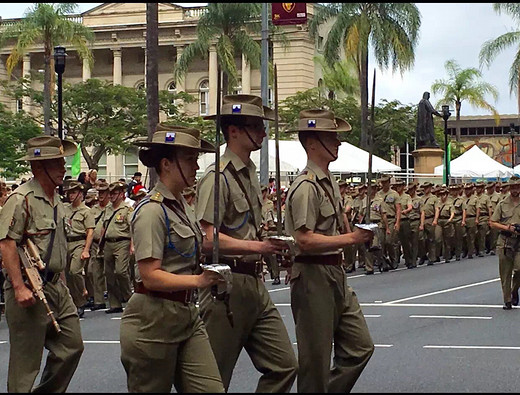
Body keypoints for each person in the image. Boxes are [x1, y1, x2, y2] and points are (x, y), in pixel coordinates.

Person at [196, 94, 298, 392]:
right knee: (214, 380)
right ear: (234, 131)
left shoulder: (251, 173)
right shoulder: (217, 177)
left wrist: (270, 245)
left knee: (284, 365)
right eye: (256, 126)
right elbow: (207, 238)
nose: (263, 133)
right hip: (226, 285)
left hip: (254, 282)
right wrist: (259, 248)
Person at [120, 125, 225, 392]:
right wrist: (198, 281)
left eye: (195, 158)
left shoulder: (183, 207)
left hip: (187, 316)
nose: (196, 165)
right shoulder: (151, 211)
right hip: (153, 320)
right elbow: (150, 276)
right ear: (166, 164)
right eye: (189, 159)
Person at [284, 109, 374, 392]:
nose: (337, 143)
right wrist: (352, 239)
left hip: (335, 273)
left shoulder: (327, 180)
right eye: (330, 138)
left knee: (361, 346)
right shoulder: (306, 186)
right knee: (315, 360)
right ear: (312, 143)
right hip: (313, 275)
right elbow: (304, 240)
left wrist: (355, 234)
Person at [0, 136, 84, 392]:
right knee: (26, 365)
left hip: (57, 287)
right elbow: (6, 243)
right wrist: (18, 287)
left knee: (72, 346)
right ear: (38, 168)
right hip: (29, 286)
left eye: (62, 161)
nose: (63, 167)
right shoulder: (21, 198)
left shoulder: (57, 200)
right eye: (56, 163)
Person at [97, 181, 134, 314]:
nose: (111, 196)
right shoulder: (108, 209)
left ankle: (129, 298)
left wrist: (132, 245)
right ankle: (115, 303)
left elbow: (132, 227)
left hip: (122, 242)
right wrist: (100, 245)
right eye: (110, 193)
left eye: (114, 193)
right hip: (108, 243)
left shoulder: (127, 209)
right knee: (109, 274)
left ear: (121, 194)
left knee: (121, 271)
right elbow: (103, 227)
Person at [63, 181, 95, 318]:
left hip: (79, 242)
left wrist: (86, 250)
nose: (71, 195)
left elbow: (90, 232)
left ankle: (82, 298)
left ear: (81, 194)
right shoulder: (65, 209)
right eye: (70, 192)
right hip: (66, 243)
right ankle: (75, 303)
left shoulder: (86, 211)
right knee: (67, 275)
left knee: (75, 271)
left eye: (74, 192)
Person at [489, 178, 520, 310]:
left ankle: (514, 289)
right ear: (509, 188)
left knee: (519, 269)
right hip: (505, 241)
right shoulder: (502, 204)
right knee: (505, 272)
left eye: (517, 187)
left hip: (519, 241)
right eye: (513, 187)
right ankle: (507, 299)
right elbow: (492, 222)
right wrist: (507, 228)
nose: (515, 190)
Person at [89, 180, 111, 311]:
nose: (101, 195)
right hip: (95, 244)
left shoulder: (112, 208)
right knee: (94, 272)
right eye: (99, 192)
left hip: (108, 243)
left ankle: (116, 297)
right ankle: (98, 300)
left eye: (103, 192)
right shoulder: (93, 209)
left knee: (110, 272)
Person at [377, 175, 402, 269]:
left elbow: (398, 209)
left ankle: (393, 259)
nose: (383, 184)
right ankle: (383, 262)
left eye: (385, 182)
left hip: (391, 219)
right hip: (381, 220)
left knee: (389, 241)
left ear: (389, 182)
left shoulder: (394, 194)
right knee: (381, 242)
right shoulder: (378, 194)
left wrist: (397, 222)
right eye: (382, 182)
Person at [432, 187, 455, 263]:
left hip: (446, 220)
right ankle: (437, 255)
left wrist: (450, 219)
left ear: (447, 195)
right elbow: (437, 211)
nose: (442, 196)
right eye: (441, 194)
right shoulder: (438, 202)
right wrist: (435, 220)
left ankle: (447, 255)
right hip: (439, 220)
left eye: (444, 194)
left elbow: (452, 212)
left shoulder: (450, 202)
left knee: (447, 240)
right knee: (437, 238)